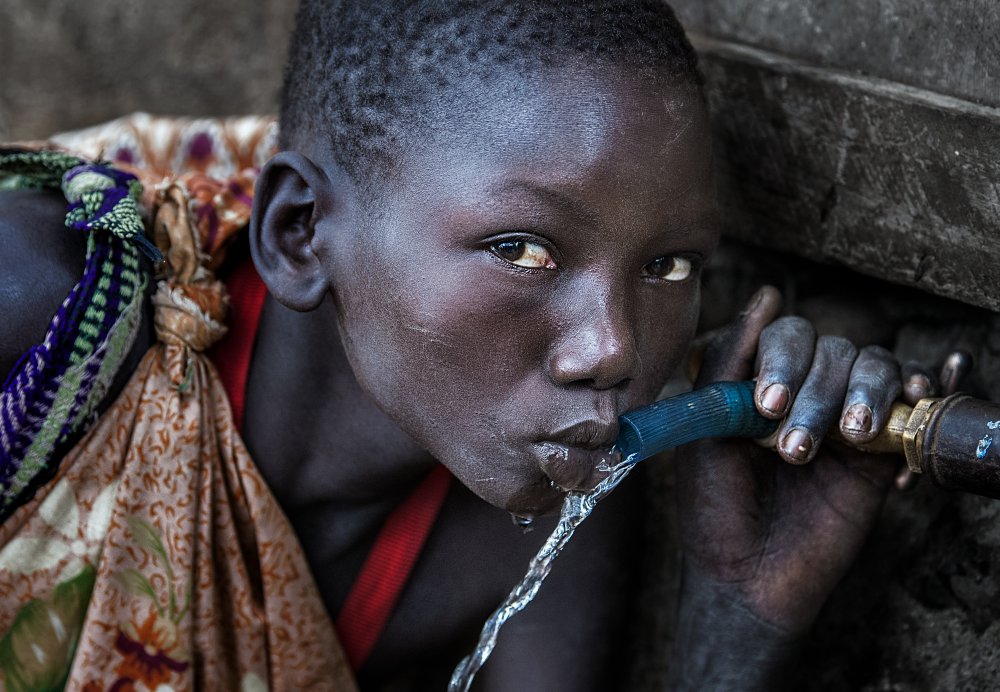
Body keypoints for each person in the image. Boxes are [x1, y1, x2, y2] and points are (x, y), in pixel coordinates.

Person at [0, 1, 947, 689]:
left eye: (668, 267)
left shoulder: (531, 524)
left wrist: (739, 620)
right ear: (298, 233)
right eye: (521, 249)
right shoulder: (49, 311)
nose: (613, 349)